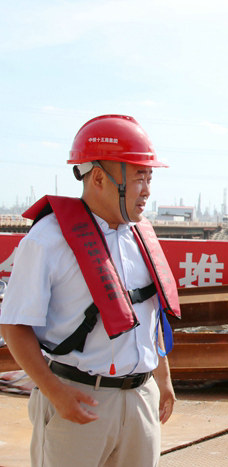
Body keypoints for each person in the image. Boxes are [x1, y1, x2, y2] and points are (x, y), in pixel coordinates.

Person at [0, 114, 181, 467]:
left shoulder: (141, 236)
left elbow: (149, 315)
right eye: (138, 176)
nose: (147, 189)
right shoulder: (47, 239)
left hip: (140, 399)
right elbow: (14, 325)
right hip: (77, 397)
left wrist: (163, 378)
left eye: (150, 177)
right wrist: (54, 392)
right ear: (98, 177)